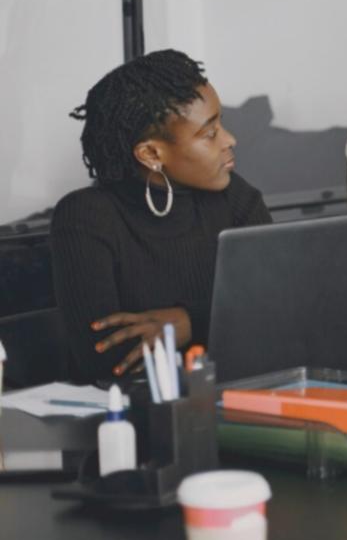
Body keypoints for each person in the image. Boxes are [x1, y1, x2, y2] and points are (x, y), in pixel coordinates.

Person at [51, 50, 270, 383]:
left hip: (239, 398)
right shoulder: (85, 218)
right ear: (151, 153)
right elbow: (110, 360)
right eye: (209, 133)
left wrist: (188, 322)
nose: (229, 140)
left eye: (221, 123)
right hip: (129, 419)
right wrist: (224, 319)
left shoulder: (234, 198)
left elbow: (277, 313)